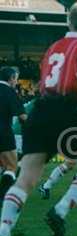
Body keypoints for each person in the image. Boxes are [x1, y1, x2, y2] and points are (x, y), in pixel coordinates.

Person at [0, 5, 77, 236]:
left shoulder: (53, 48)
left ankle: (3, 233)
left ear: (69, 24)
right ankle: (59, 211)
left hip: (40, 111)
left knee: (25, 178)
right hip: (66, 113)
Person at [0, 67, 27, 203]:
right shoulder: (9, 92)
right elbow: (22, 117)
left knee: (3, 165)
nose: (16, 82)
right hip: (3, 132)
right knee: (12, 166)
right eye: (16, 79)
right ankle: (2, 196)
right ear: (11, 78)